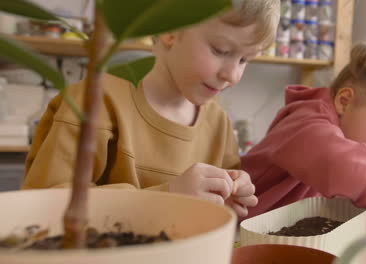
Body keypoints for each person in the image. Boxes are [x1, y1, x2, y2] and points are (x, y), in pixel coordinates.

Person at [22, 0, 280, 218]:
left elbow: (207, 219)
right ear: (170, 30)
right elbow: (44, 209)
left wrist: (227, 199)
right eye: (220, 50)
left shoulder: (219, 123)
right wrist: (169, 197)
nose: (233, 75)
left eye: (245, 59)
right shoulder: (94, 102)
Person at [241, 44, 366, 263]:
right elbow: (340, 160)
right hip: (239, 236)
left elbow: (322, 192)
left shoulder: (330, 130)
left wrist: (352, 226)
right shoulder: (305, 123)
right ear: (344, 101)